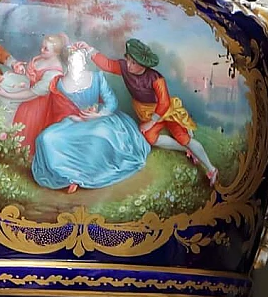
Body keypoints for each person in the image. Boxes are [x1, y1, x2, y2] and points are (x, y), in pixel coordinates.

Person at [87, 38, 218, 187]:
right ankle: (187, 150)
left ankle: (211, 168)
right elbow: (108, 65)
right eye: (128, 60)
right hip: (146, 111)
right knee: (150, 138)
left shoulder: (155, 78)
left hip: (165, 111)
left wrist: (151, 122)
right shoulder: (124, 67)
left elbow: (164, 103)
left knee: (183, 138)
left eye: (133, 62)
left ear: (143, 64)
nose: (129, 64)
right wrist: (89, 49)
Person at [30, 44, 150, 193]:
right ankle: (67, 176)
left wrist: (98, 114)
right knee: (46, 138)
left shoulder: (97, 77)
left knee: (100, 135)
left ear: (85, 61)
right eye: (72, 61)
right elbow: (60, 110)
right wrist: (75, 117)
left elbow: (111, 102)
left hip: (100, 118)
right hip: (74, 122)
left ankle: (86, 175)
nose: (76, 64)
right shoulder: (60, 83)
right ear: (67, 63)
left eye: (79, 60)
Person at [0, 33, 78, 145]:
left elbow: (32, 93)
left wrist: (7, 94)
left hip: (34, 107)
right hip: (25, 90)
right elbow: (30, 76)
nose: (41, 50)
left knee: (21, 133)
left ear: (56, 53)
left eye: (46, 49)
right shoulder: (42, 58)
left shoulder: (54, 73)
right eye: (42, 46)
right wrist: (21, 70)